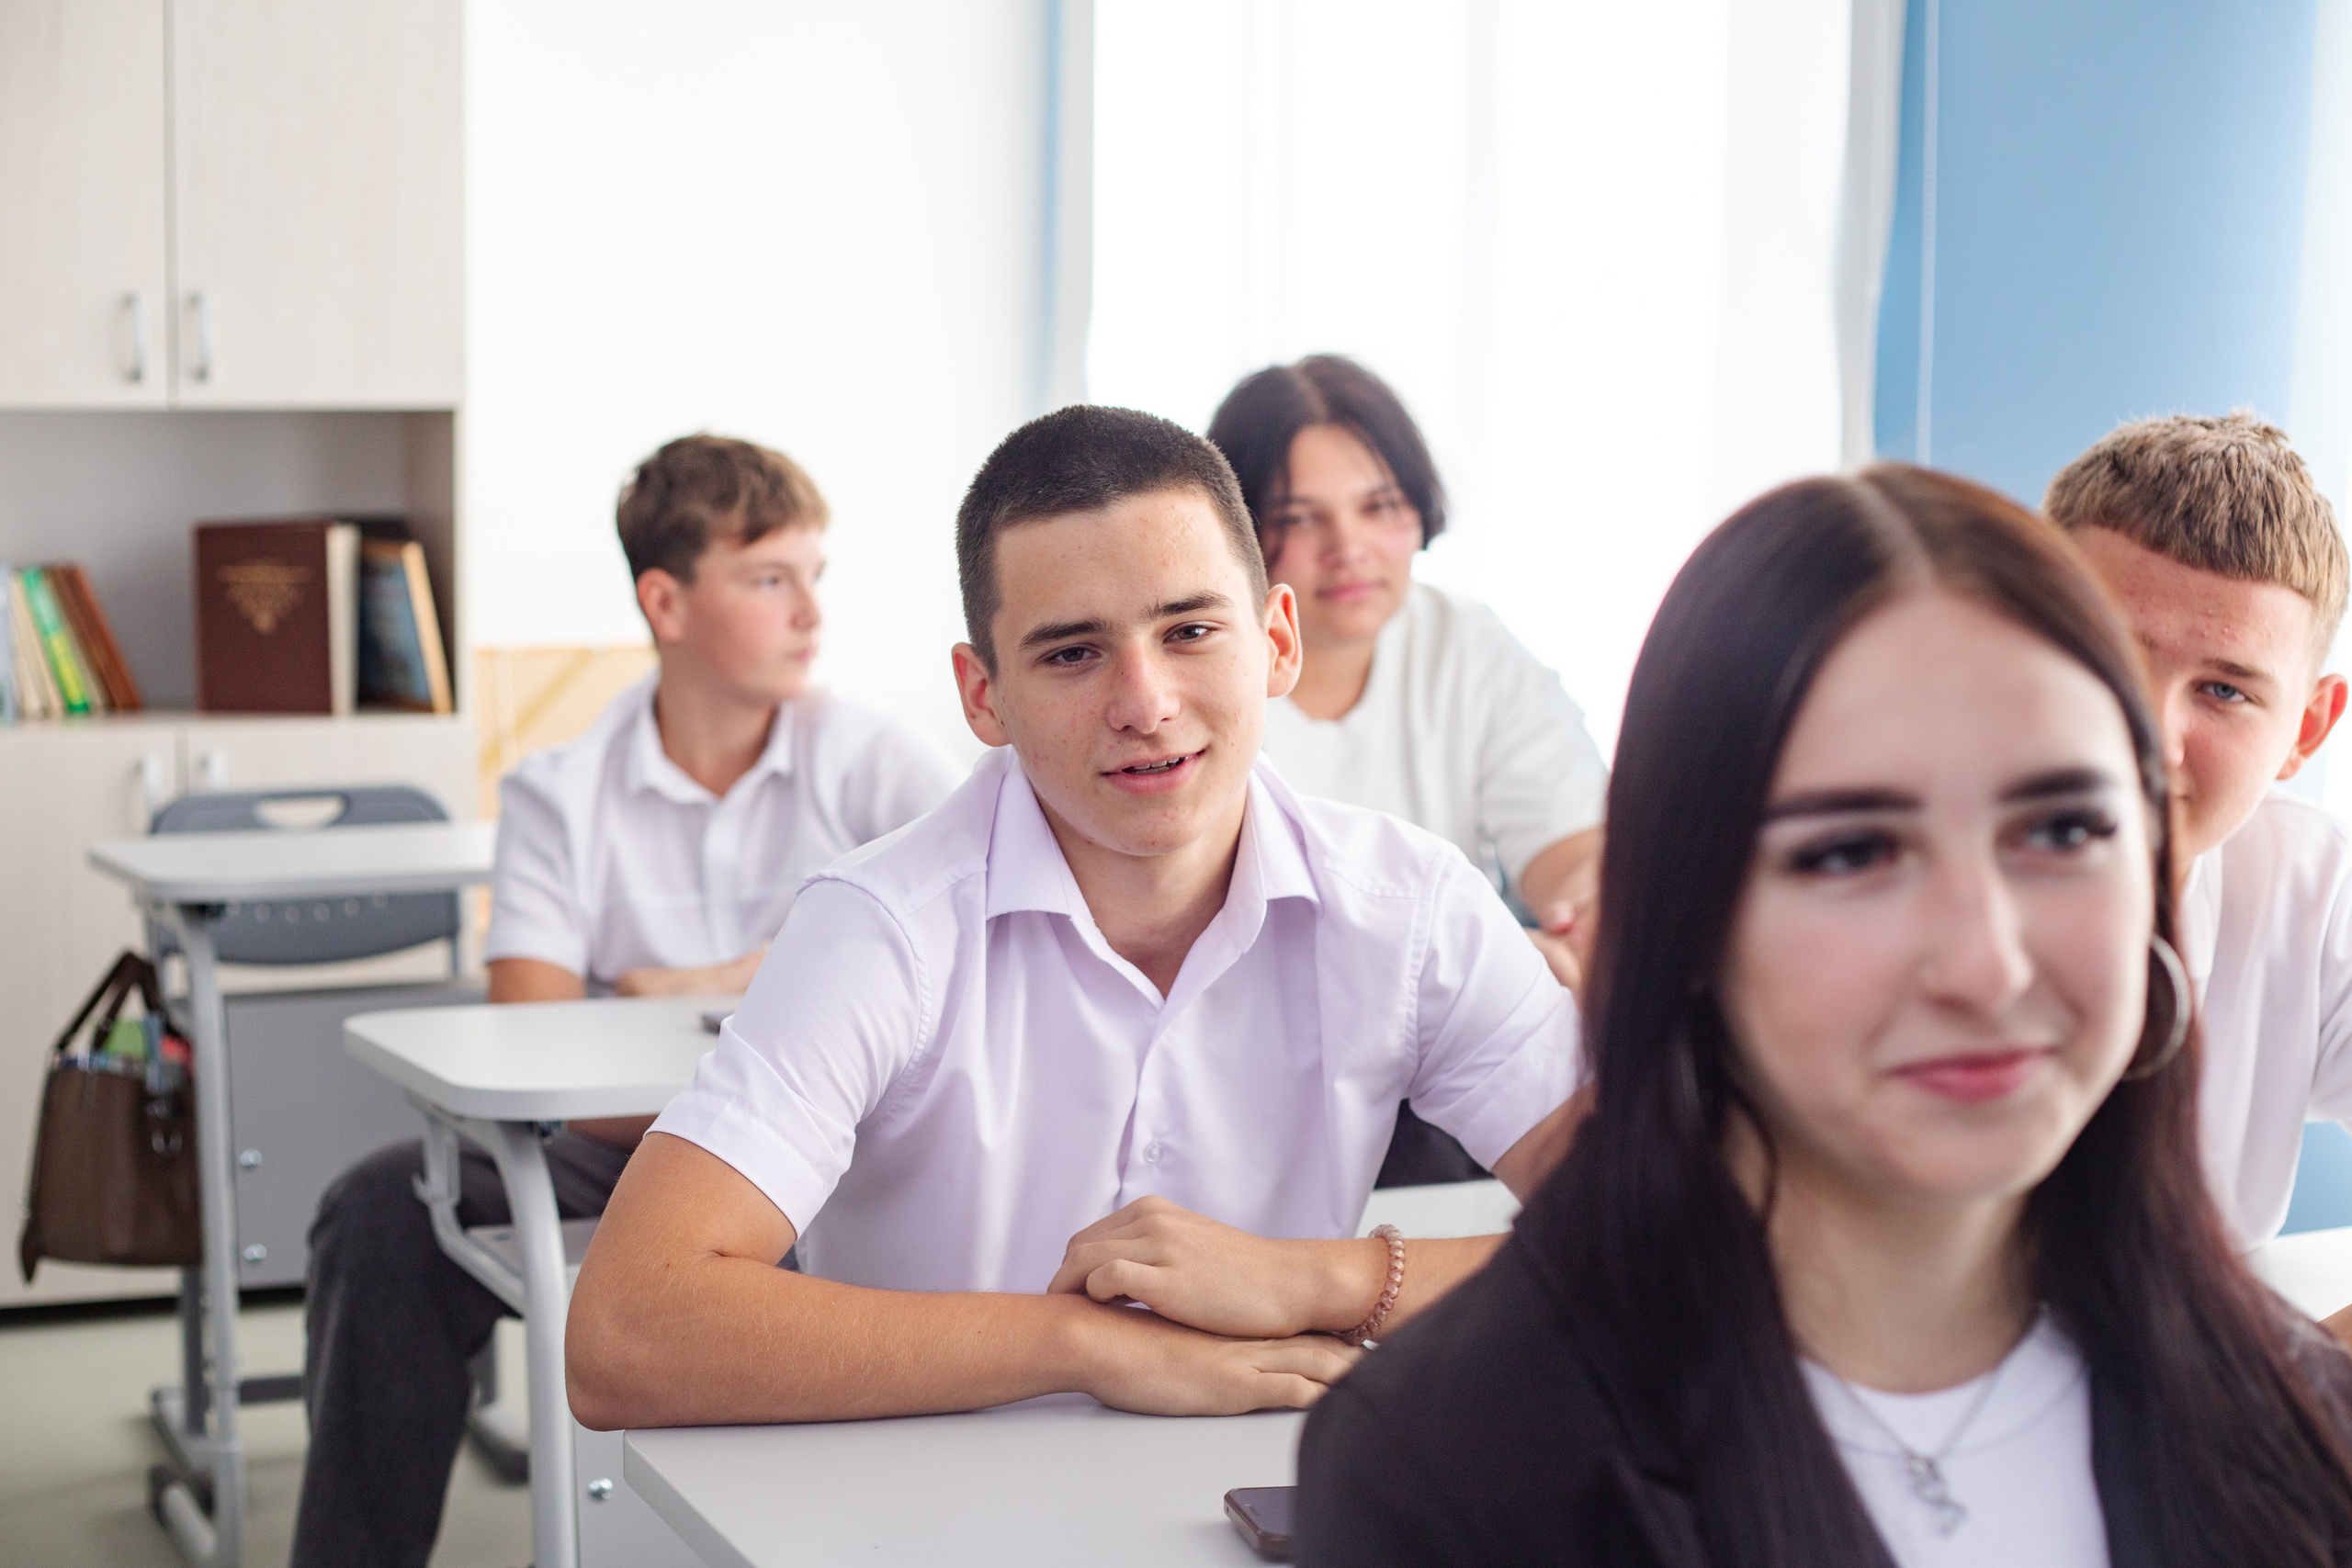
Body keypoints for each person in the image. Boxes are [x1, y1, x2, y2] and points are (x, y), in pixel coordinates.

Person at [1297, 467, 2352, 1566]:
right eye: (1853, 853)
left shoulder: (2293, 1418)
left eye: (2061, 831)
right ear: (1688, 909)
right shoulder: (1457, 1473)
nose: (1986, 967)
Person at [565, 405, 1581, 1430]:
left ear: (1276, 642)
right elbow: (624, 1331)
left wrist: (1323, 1281)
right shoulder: (881, 929)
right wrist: (1087, 1346)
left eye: (1189, 632)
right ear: (984, 697)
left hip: (1254, 1492)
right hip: (924, 1497)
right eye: (1071, 655)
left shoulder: (1410, 907)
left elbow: (1662, 1245)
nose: (1145, 702)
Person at [290, 434, 960, 1568]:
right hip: (631, 1151)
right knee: (382, 1214)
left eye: (815, 575)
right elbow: (530, 1052)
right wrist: (762, 1060)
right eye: (770, 579)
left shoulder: (879, 757)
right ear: (666, 602)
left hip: (848, 1155)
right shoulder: (560, 791)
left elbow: (970, 961)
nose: (811, 611)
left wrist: (710, 983)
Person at [1207, 355, 1607, 1183]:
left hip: (1447, 1067)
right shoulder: (1196, 680)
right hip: (1247, 1076)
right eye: (1299, 518)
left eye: (1380, 506)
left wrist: (1589, 916)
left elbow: (1573, 850)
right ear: (1232, 535)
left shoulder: (1470, 649)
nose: (1348, 549)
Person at [2044, 413, 2351, 1259]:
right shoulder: (1841, 870)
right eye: (2109, 651)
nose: (2151, 738)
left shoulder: (2316, 894)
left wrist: (2303, 1348)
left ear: (2306, 730)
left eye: (2224, 691)